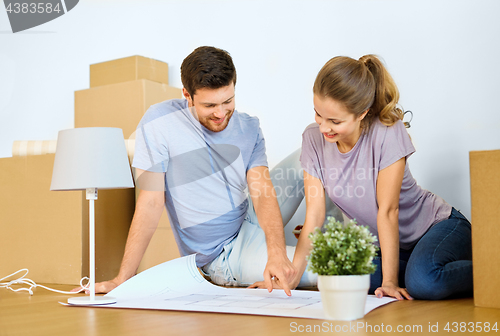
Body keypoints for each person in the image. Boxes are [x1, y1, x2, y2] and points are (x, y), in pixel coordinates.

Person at [75, 46, 327, 297]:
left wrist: (277, 252)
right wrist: (122, 280)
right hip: (224, 256)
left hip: (248, 219)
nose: (220, 113)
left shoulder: (249, 127)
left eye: (228, 101)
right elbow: (151, 202)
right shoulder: (159, 123)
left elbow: (262, 192)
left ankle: (342, 228)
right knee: (332, 269)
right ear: (187, 94)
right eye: (209, 105)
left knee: (318, 142)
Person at [290, 55, 473, 300]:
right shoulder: (312, 139)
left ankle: (485, 266)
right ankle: (416, 270)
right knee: (339, 277)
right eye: (318, 115)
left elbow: (388, 210)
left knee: (425, 282)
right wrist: (291, 278)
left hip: (437, 228)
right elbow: (314, 214)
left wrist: (388, 282)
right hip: (390, 249)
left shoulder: (388, 130)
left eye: (335, 121)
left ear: (362, 113)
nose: (324, 128)